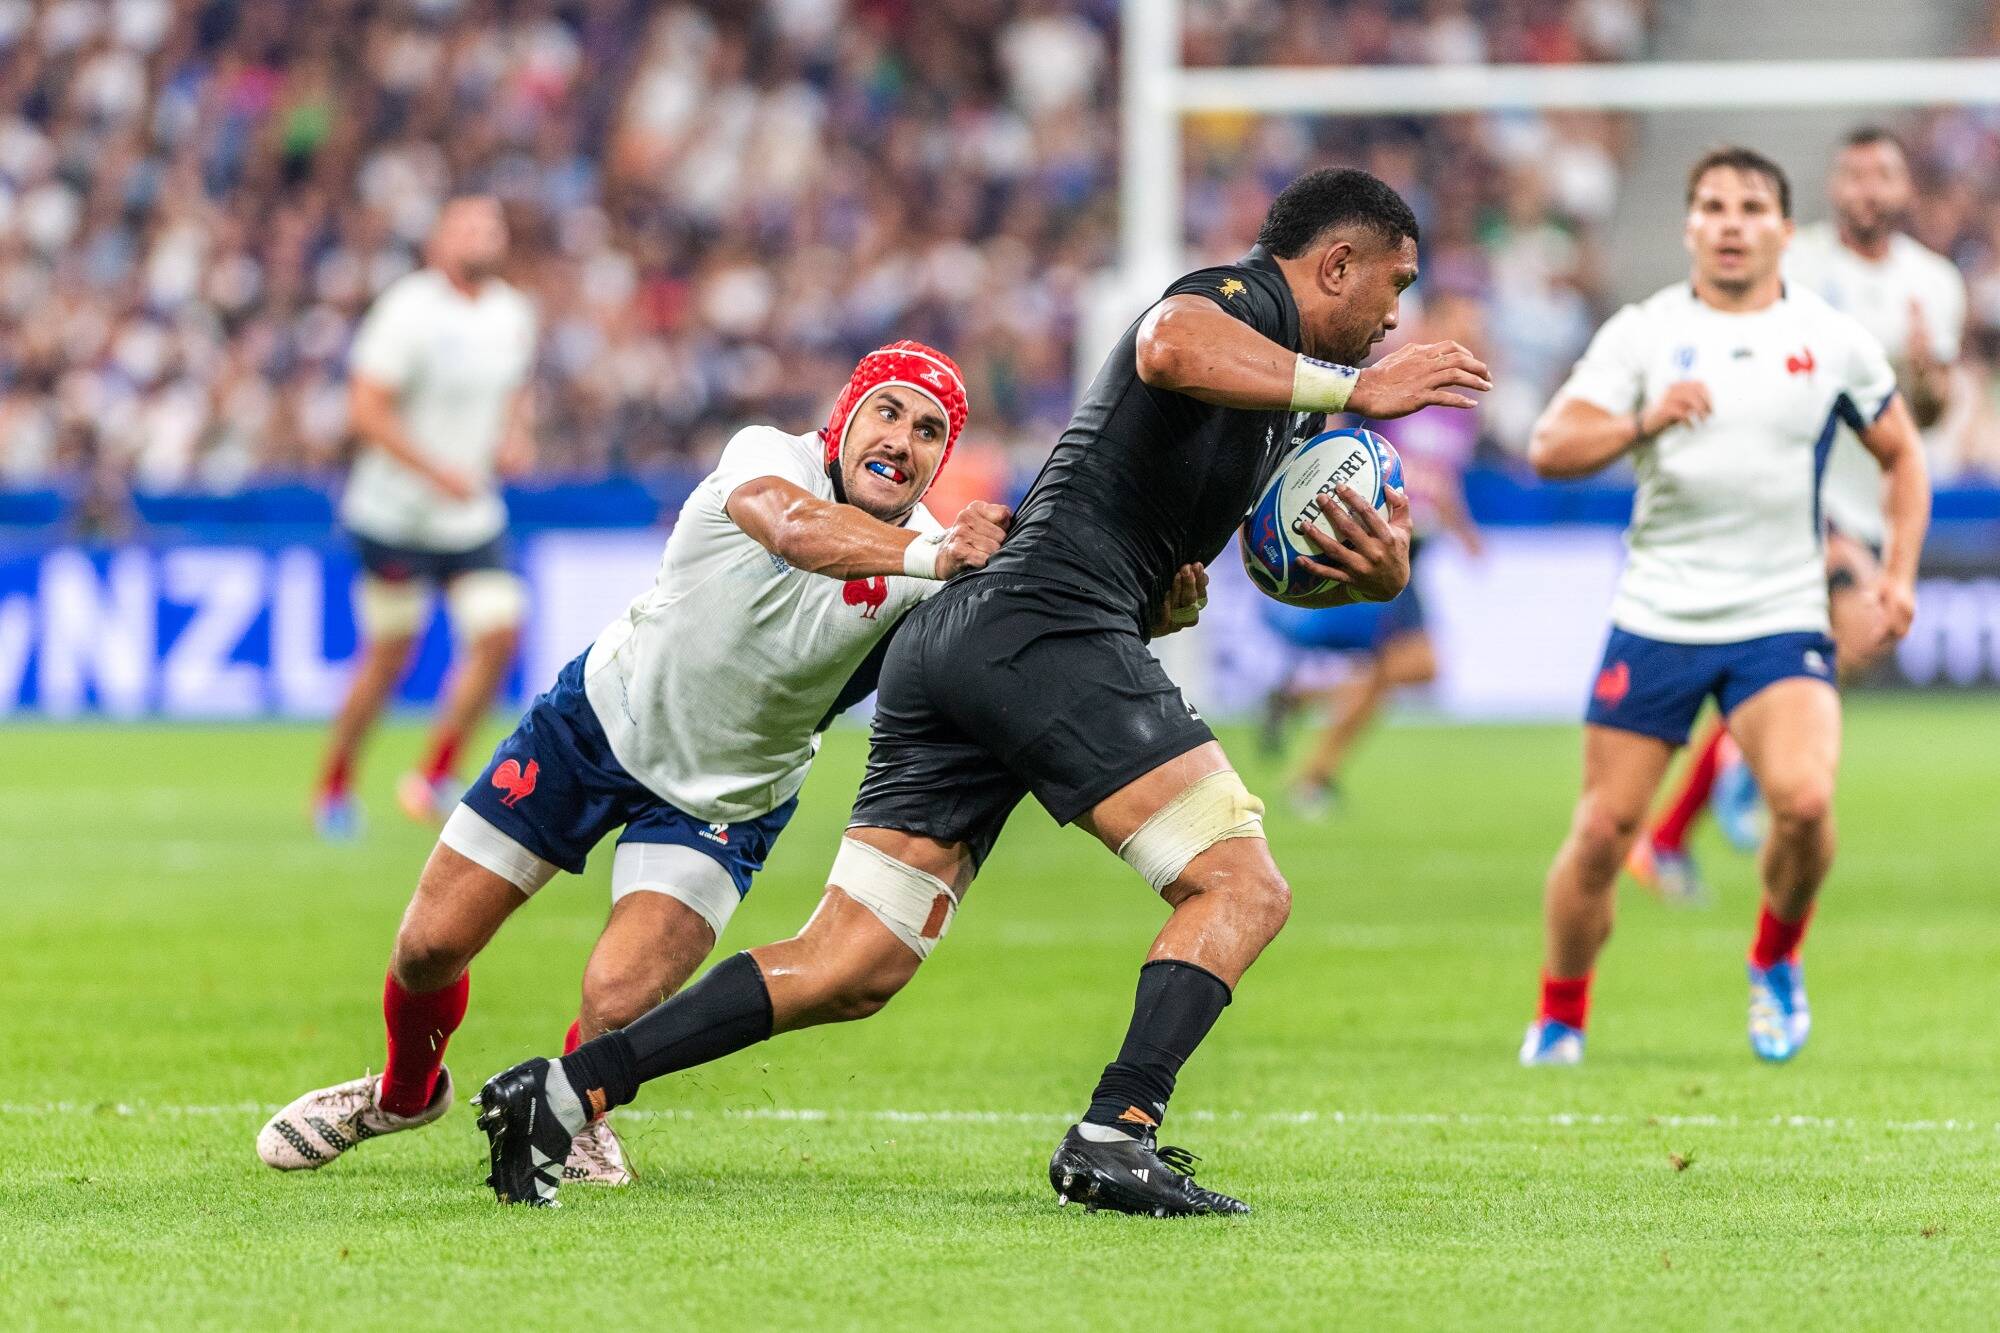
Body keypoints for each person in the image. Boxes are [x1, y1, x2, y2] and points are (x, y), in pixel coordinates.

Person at [474, 167, 1489, 1214]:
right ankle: (1117, 1129)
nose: (1394, 319)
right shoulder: (1241, 303)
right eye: (1395, 285)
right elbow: (1167, 343)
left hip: (967, 637)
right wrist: (1360, 391)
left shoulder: (1281, 404)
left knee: (852, 962)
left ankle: (562, 1092)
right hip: (1045, 624)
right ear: (1336, 265)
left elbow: (1245, 553)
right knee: (1241, 885)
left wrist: (1369, 578)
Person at [260, 343, 1034, 1185]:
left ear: (941, 458)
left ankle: (573, 1110)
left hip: (726, 799)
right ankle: (403, 1095)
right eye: (887, 411)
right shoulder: (771, 458)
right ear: (846, 415)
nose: (901, 440)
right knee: (427, 946)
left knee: (618, 997)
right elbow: (792, 529)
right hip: (592, 725)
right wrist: (935, 556)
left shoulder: (935, 563)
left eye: (928, 431)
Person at [1519, 148, 1930, 1068]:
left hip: (1781, 612)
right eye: (1713, 206)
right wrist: (1643, 421)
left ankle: (1775, 959)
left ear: (1784, 228)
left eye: (1751, 206)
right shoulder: (1644, 332)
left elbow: (1903, 453)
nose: (1731, 222)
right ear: (1689, 227)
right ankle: (1560, 1015)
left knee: (1806, 800)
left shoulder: (1829, 338)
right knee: (1602, 833)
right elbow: (1550, 445)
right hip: (1659, 613)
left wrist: (1897, 574)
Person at [1630, 128, 1967, 899]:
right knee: (1852, 631)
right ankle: (1733, 787)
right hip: (1793, 494)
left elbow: (1930, 414)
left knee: (1838, 653)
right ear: (1835, 188)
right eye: (1854, 174)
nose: (1868, 188)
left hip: (1869, 500)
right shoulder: (1801, 263)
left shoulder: (1935, 282)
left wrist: (1924, 374)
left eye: (1883, 174)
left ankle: (1683, 822)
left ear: (1904, 188)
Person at [314, 197, 539, 839]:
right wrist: (435, 471)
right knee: (391, 654)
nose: (481, 237)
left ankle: (434, 775)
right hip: (396, 515)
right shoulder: (407, 311)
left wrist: (516, 437)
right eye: (467, 228)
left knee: (499, 634)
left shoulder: (512, 313)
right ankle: (335, 783)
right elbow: (366, 410)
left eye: (491, 227)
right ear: (439, 241)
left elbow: (516, 391)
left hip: (468, 514)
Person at [1277, 291, 1487, 817]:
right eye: (1463, 323)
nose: (1474, 335)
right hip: (1374, 540)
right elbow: (1339, 437)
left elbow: (1441, 478)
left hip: (1415, 547)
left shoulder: (1461, 405)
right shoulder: (1394, 378)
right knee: (1408, 665)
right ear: (1432, 324)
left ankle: (1300, 704)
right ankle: (1313, 777)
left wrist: (1463, 530)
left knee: (1404, 668)